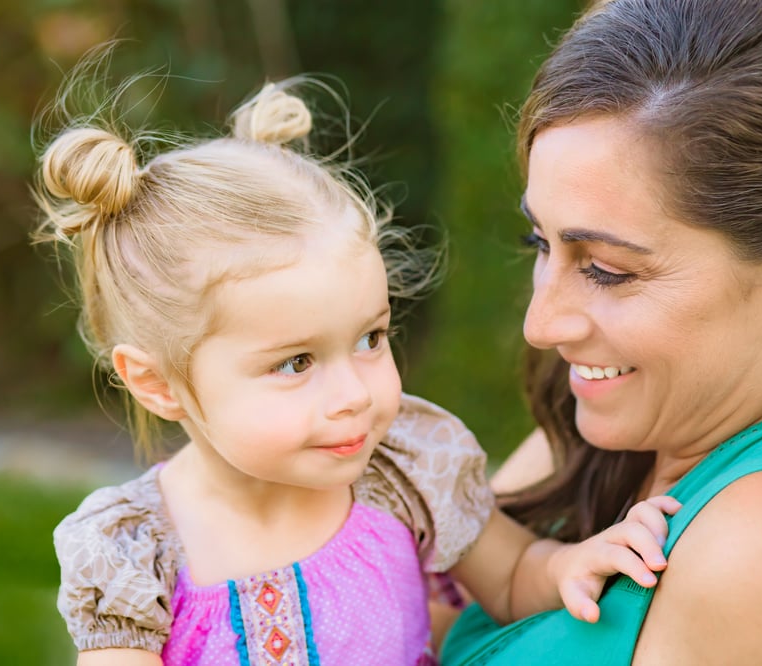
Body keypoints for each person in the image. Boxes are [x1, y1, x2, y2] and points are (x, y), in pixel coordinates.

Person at [34, 53, 676, 666]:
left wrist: (573, 565)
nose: (355, 394)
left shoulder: (402, 470)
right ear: (158, 383)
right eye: (295, 363)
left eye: (371, 339)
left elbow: (510, 576)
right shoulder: (132, 552)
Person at [441, 0, 762, 663]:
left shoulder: (757, 543)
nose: (541, 327)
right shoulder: (603, 415)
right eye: (538, 240)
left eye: (606, 269)